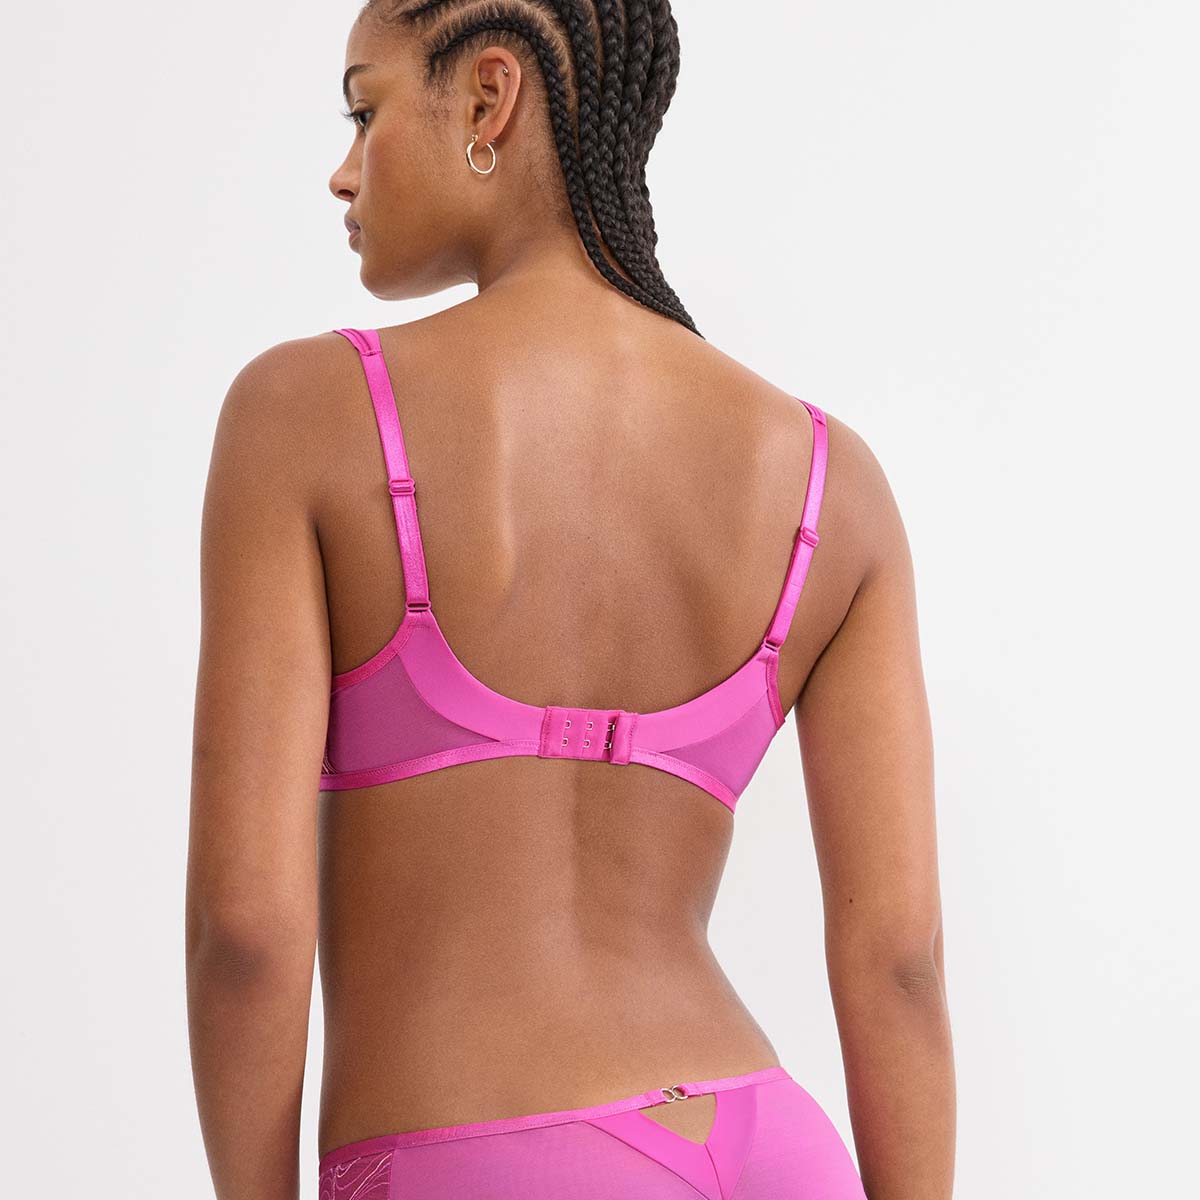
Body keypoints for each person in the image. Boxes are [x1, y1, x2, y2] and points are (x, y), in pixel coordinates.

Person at [186, 3, 955, 1198]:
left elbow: (245, 934)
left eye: (365, 110)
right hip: (770, 1147)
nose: (343, 170)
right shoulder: (828, 481)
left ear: (489, 98)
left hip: (478, 1156)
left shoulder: (306, 415)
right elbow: (899, 963)